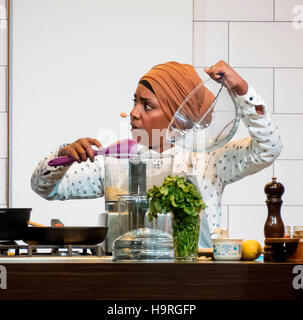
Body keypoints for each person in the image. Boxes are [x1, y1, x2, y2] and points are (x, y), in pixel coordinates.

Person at [31, 60, 282, 248]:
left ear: (177, 116)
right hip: (127, 280)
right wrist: (63, 154)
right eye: (135, 102)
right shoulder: (117, 160)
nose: (134, 113)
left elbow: (268, 148)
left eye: (147, 105)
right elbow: (47, 188)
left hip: (196, 281)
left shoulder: (210, 159)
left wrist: (242, 89)